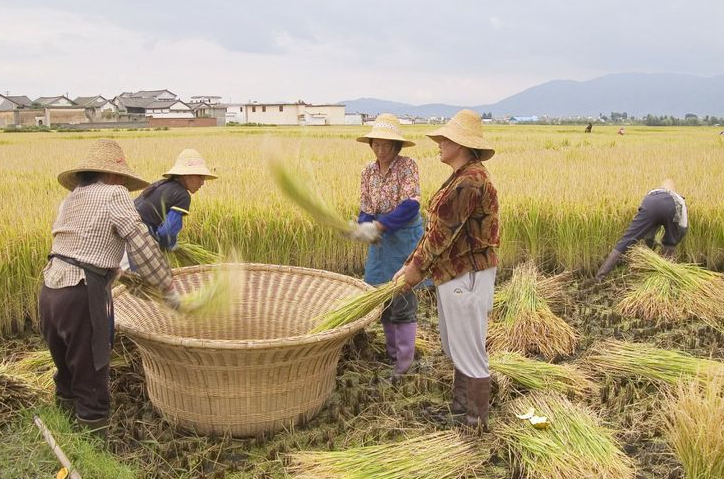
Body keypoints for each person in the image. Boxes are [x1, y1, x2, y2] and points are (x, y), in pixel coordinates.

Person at [39, 139, 180, 444]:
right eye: (122, 178)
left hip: (50, 291)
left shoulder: (73, 198)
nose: (124, 184)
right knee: (91, 370)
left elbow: (85, 247)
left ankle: (64, 431)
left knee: (66, 368)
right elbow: (139, 240)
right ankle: (92, 448)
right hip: (80, 293)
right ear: (114, 175)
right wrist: (166, 285)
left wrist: (124, 275)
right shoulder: (114, 193)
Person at [393, 109, 499, 430]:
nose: (438, 143)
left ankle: (475, 422)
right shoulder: (463, 176)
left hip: (465, 274)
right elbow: (435, 230)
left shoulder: (469, 182)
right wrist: (410, 264)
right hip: (455, 272)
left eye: (444, 139)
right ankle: (460, 410)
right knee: (458, 344)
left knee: (468, 347)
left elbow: (441, 236)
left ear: (460, 144)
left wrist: (414, 273)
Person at [347, 114, 423, 376]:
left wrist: (379, 226)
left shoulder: (407, 167)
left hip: (402, 238)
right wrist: (363, 226)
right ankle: (392, 354)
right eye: (376, 144)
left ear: (397, 146)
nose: (380, 150)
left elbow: (410, 206)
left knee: (402, 295)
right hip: (381, 244)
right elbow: (366, 208)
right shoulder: (367, 172)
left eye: (386, 145)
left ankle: (404, 363)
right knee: (382, 296)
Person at [594, 179, 688, 281]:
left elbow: (647, 227)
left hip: (649, 204)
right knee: (670, 243)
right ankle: (664, 276)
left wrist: (651, 244)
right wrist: (673, 241)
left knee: (626, 241)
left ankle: (599, 277)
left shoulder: (653, 193)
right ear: (674, 191)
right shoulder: (679, 199)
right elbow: (683, 228)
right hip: (672, 208)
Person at [134, 149, 217, 252]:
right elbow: (167, 233)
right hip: (136, 239)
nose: (202, 183)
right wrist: (171, 247)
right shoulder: (183, 196)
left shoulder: (161, 184)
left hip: (123, 232)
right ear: (186, 175)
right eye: (200, 177)